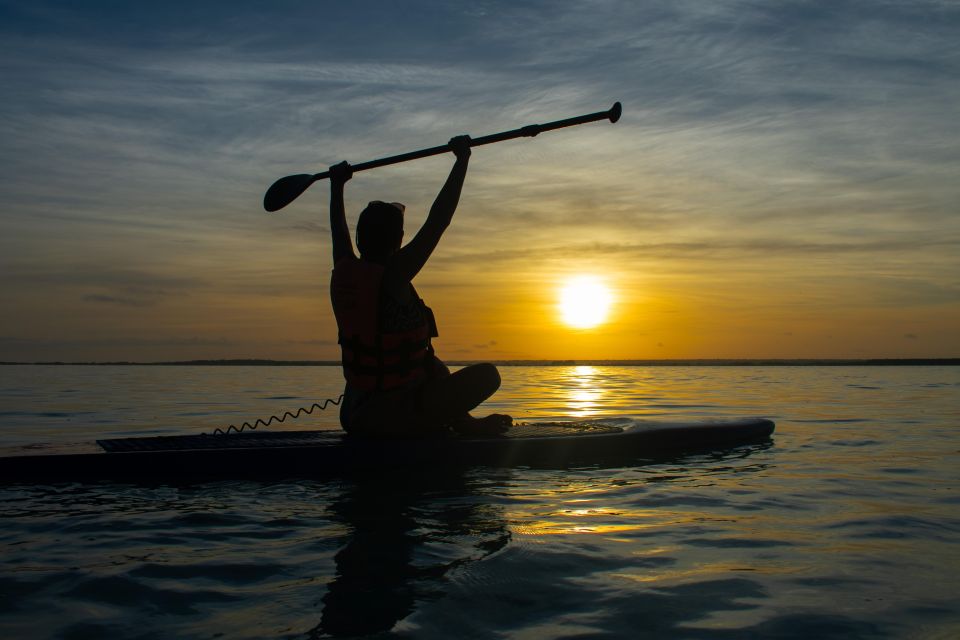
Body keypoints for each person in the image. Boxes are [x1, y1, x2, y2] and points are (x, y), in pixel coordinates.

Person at [328, 135, 512, 438]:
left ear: (361, 238)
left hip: (354, 413)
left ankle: (463, 422)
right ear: (397, 239)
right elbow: (438, 221)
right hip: (391, 417)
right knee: (487, 376)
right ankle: (459, 426)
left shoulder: (344, 269)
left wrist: (337, 187)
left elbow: (338, 229)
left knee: (431, 364)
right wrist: (462, 160)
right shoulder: (394, 276)